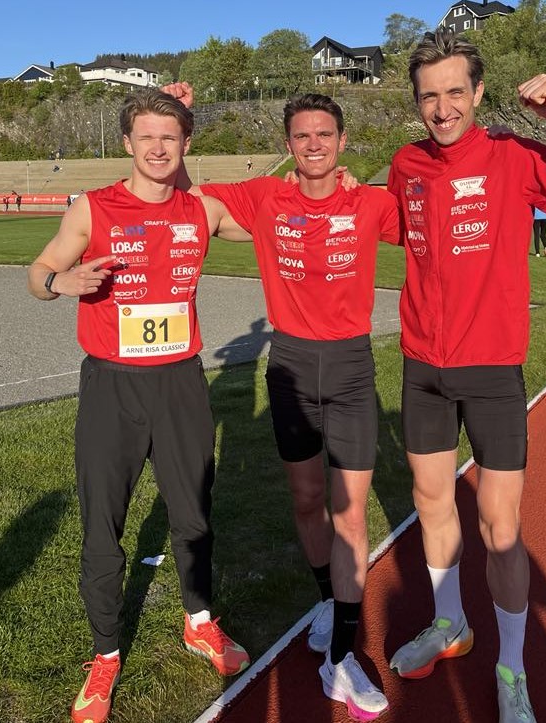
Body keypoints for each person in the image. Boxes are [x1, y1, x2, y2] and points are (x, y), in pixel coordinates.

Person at [385, 28, 546, 723]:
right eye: (429, 96)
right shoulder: (406, 164)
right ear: (417, 101)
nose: (442, 108)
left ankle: (513, 669)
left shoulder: (513, 156)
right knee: (431, 502)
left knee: (500, 526)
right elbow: (392, 227)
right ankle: (450, 623)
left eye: (454, 92)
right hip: (423, 367)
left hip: (492, 370)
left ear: (478, 92)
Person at [167, 83, 400, 721]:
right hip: (291, 366)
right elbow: (185, 198)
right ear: (288, 144)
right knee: (306, 499)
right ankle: (328, 601)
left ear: (343, 140)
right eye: (302, 135)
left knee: (349, 516)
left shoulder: (370, 201)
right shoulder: (267, 197)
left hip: (350, 368)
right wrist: (180, 118)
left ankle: (342, 659)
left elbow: (432, 230)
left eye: (324, 134)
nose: (314, 144)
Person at [27, 88, 252, 723]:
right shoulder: (91, 207)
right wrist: (61, 281)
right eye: (146, 136)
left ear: (186, 145)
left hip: (180, 383)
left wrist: (325, 181)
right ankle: (104, 653)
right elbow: (37, 273)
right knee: (104, 523)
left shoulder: (202, 209)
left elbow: (276, 223)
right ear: (127, 142)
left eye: (169, 137)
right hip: (112, 387)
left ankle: (199, 621)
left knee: (194, 514)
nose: (157, 148)